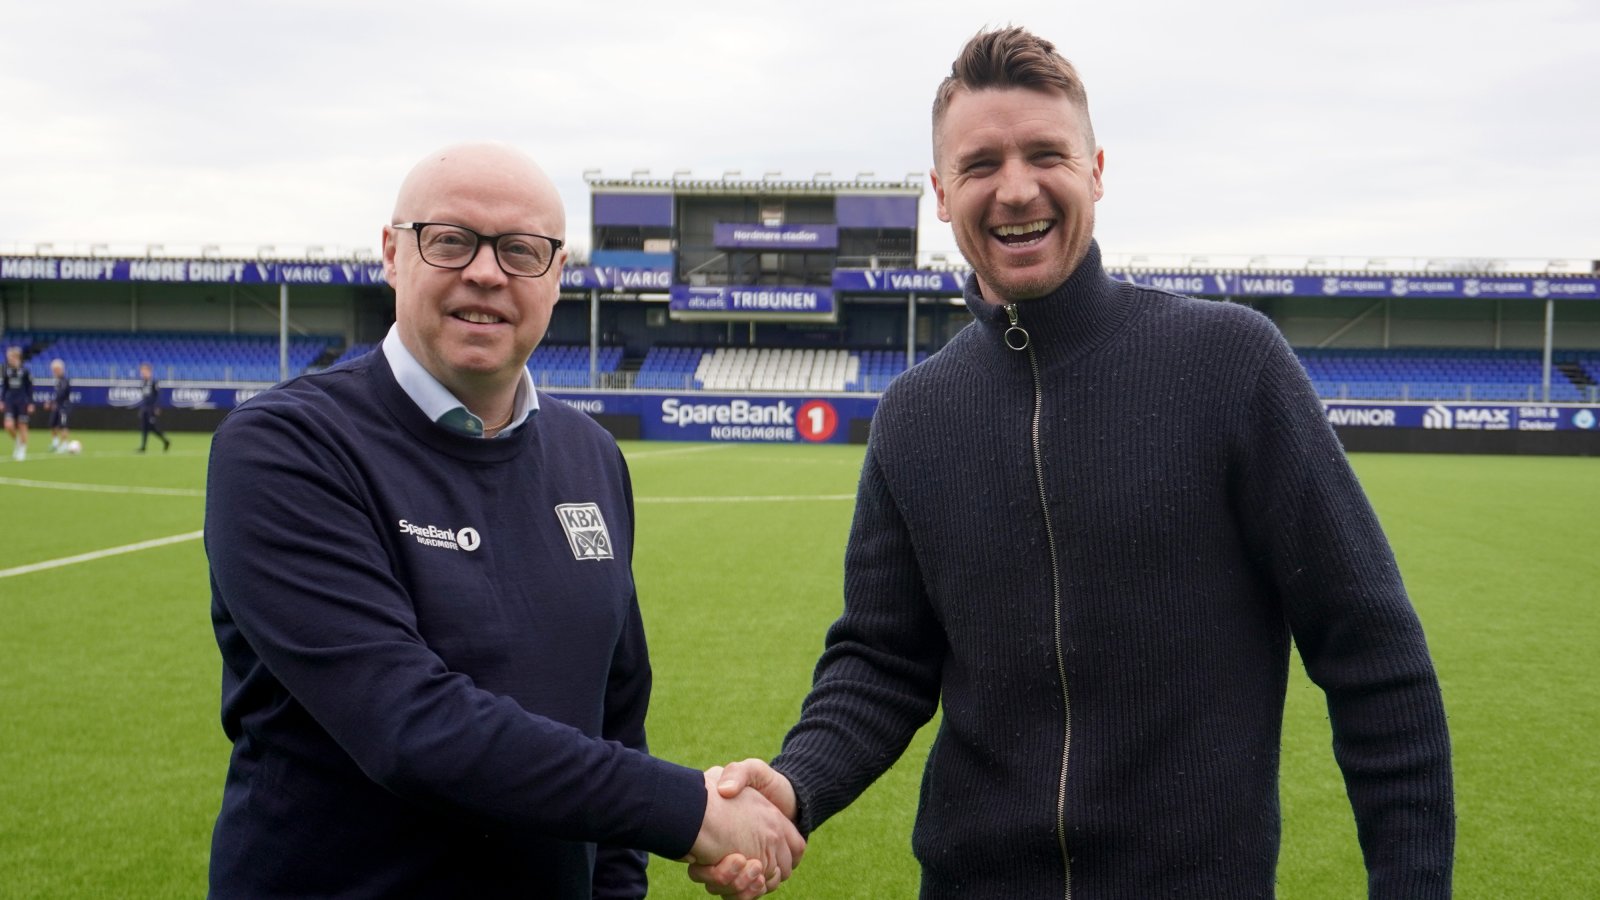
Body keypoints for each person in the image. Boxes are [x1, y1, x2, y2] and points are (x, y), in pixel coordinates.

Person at [697, 26, 1454, 899]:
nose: (1016, 189)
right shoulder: (914, 415)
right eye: (981, 164)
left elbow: (1373, 653)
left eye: (1046, 154)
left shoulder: (1231, 365)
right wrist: (795, 784)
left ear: (1095, 170)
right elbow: (883, 658)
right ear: (941, 194)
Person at [204, 142, 801, 899]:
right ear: (392, 254)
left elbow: (616, 716)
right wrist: (689, 812)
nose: (486, 272)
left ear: (556, 275)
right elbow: (408, 725)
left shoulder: (591, 454)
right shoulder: (286, 445)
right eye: (451, 240)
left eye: (521, 250)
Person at [2, 346, 34, 461]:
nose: (9, 359)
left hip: (22, 402)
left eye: (11, 357)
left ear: (17, 357)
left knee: (22, 426)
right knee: (8, 426)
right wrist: (2, 401)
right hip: (10, 401)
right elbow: (5, 387)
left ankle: (22, 449)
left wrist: (30, 403)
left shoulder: (25, 371)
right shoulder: (6, 370)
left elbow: (29, 388)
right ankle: (17, 441)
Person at [135, 362, 170, 452]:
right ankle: (143, 447)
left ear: (149, 372)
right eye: (141, 371)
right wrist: (142, 409)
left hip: (151, 409)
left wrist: (156, 407)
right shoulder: (143, 383)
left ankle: (165, 441)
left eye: (144, 371)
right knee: (145, 427)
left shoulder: (154, 382)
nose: (142, 373)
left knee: (152, 427)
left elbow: (158, 396)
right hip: (145, 408)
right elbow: (144, 398)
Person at [47, 358, 72, 452]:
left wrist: (52, 402)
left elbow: (61, 394)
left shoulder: (64, 381)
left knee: (63, 425)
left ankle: (65, 444)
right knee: (53, 424)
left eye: (55, 370)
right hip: (57, 406)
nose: (54, 372)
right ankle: (55, 443)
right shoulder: (57, 381)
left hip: (64, 406)